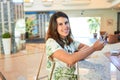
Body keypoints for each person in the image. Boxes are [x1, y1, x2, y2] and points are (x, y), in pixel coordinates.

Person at [46, 11, 105, 80]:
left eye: (66, 23)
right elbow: (70, 59)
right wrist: (94, 47)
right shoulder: (51, 42)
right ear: (54, 27)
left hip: (72, 77)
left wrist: (75, 55)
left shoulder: (70, 41)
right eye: (60, 24)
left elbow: (86, 47)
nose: (65, 27)